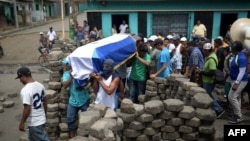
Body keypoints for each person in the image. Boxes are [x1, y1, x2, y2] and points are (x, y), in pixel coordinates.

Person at [15, 67, 49, 141]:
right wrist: (45, 114)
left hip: (35, 122)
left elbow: (27, 108)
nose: (20, 81)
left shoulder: (25, 90)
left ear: (23, 76)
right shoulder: (40, 86)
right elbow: (45, 101)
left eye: (20, 78)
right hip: (41, 119)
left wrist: (22, 123)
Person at [61, 58, 90, 138]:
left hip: (83, 99)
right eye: (65, 64)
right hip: (73, 100)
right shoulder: (66, 74)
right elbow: (64, 85)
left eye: (67, 64)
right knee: (70, 119)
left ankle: (84, 137)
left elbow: (87, 81)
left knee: (86, 119)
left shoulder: (80, 71)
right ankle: (72, 137)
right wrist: (71, 77)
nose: (66, 66)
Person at [198, 43, 225, 118]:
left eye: (204, 50)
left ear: (207, 50)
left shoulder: (212, 59)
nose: (203, 51)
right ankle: (215, 108)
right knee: (208, 94)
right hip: (206, 80)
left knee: (208, 95)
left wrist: (202, 72)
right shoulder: (208, 57)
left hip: (209, 81)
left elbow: (212, 73)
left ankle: (219, 109)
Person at [228, 41, 248, 124]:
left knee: (231, 97)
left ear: (235, 49)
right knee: (237, 98)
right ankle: (237, 114)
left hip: (240, 81)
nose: (231, 49)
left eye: (232, 48)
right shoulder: (236, 55)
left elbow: (242, 72)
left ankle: (238, 116)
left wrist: (236, 83)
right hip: (235, 80)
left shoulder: (241, 58)